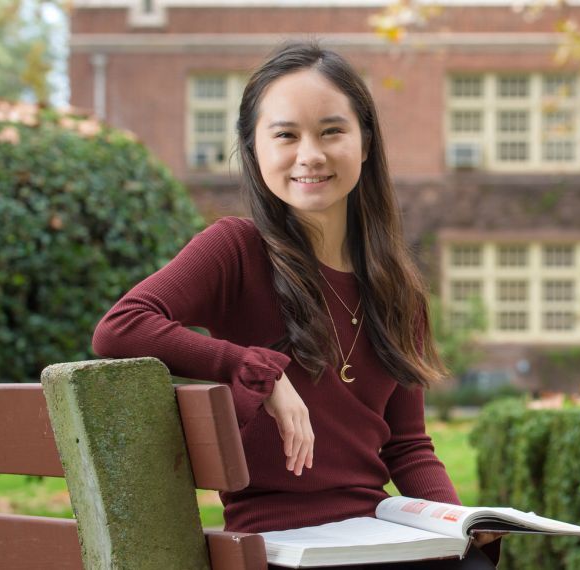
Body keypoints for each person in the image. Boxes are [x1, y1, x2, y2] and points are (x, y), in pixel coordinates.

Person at [92, 41, 499, 569]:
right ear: (254, 147)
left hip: (374, 535)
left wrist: (457, 524)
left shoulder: (398, 289)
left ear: (366, 143)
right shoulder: (235, 249)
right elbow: (120, 327)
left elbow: (408, 446)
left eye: (332, 132)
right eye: (286, 135)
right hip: (279, 546)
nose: (311, 154)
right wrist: (252, 367)